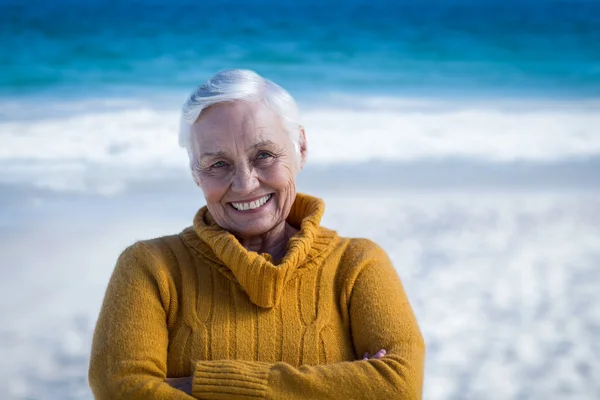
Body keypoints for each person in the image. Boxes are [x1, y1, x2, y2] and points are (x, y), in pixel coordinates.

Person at [88, 69, 425, 399]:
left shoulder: (356, 265)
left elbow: (399, 386)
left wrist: (198, 385)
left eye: (264, 155)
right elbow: (121, 389)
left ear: (301, 149)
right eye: (218, 164)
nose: (246, 184)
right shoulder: (150, 267)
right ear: (195, 173)